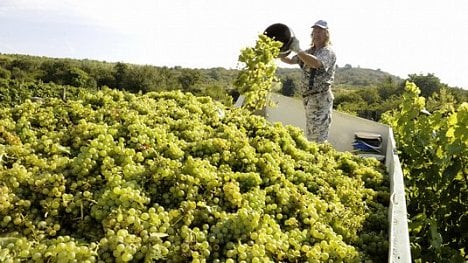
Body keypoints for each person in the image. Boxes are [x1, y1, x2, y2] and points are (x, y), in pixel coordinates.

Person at [281, 20, 336, 143]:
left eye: (320, 31)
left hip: (320, 98)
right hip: (308, 99)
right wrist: (277, 53)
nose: (317, 34)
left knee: (318, 138)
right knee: (312, 134)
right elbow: (290, 60)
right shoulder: (309, 52)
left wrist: (298, 50)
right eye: (315, 31)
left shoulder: (328, 52)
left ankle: (321, 160)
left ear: (327, 34)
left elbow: (316, 63)